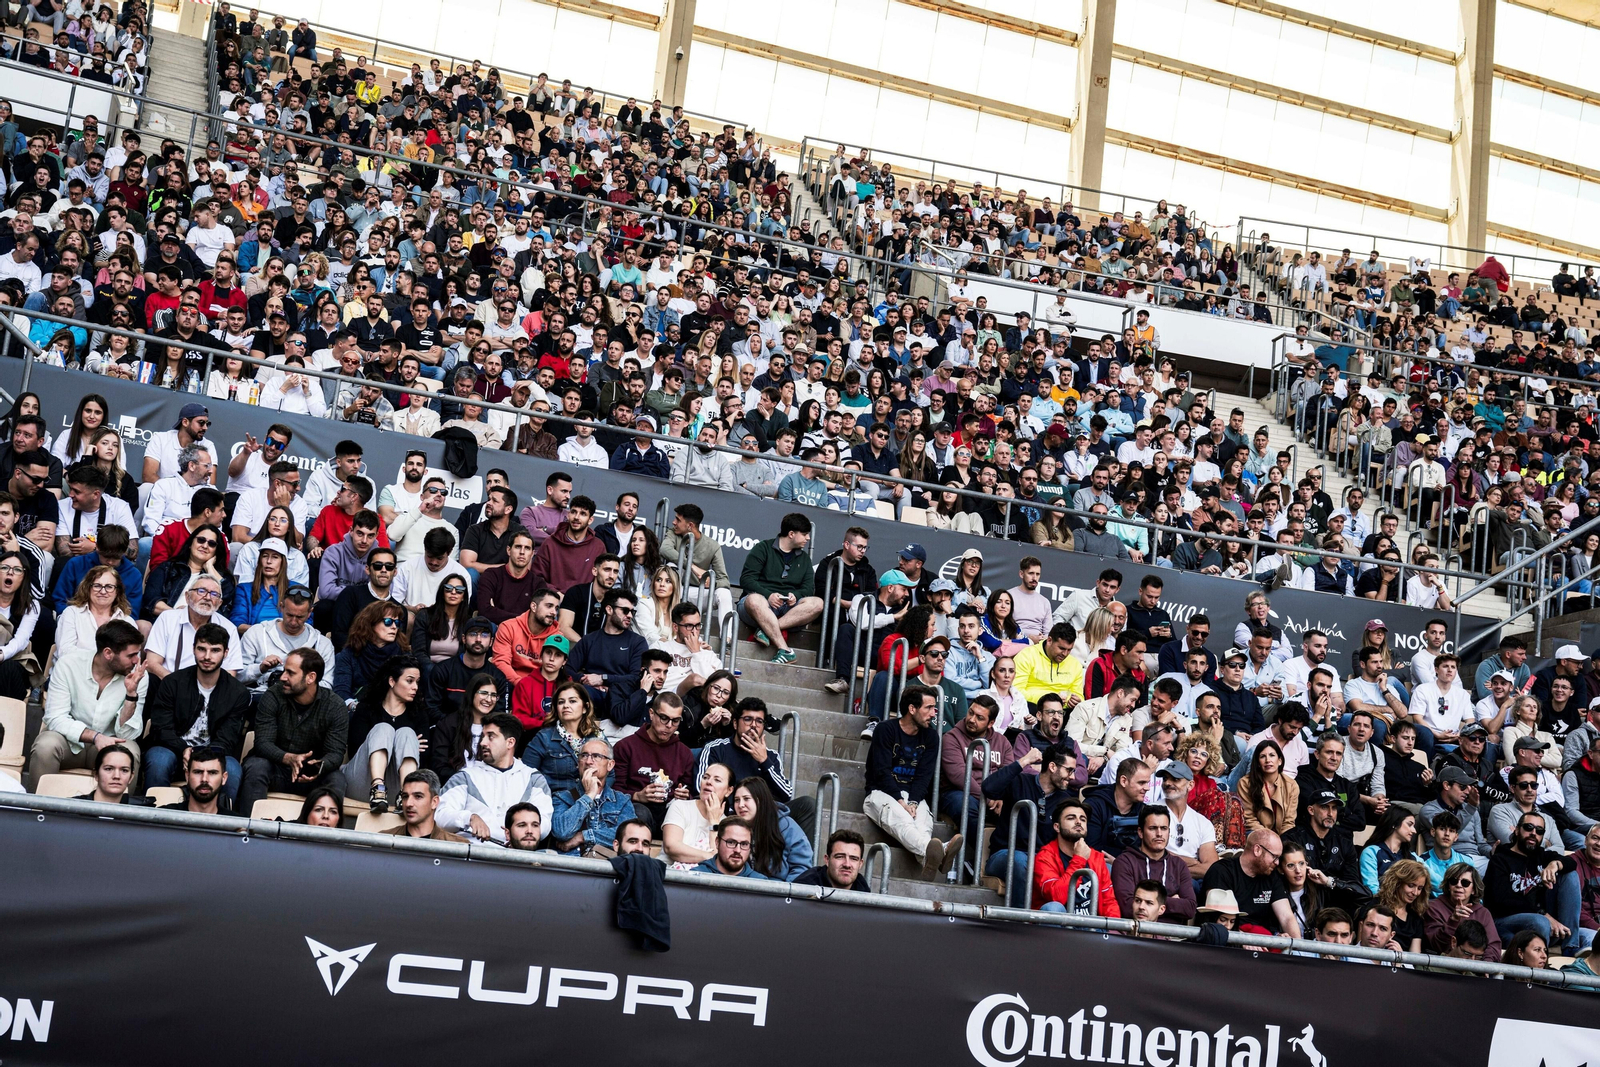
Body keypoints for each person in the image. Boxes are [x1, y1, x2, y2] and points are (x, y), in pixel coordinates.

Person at [144, 623, 250, 805]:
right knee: (158, 759)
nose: (207, 656)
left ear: (226, 653)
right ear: (193, 649)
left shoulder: (238, 693)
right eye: (202, 649)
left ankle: (221, 826)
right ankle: (153, 819)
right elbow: (161, 728)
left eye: (215, 650)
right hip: (173, 751)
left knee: (231, 769)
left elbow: (228, 738)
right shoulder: (172, 683)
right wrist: (183, 749)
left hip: (214, 755)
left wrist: (203, 758)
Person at [31, 619, 148, 780]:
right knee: (45, 745)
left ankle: (117, 806)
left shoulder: (138, 675)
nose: (137, 661)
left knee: (130, 751)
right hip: (68, 741)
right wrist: (95, 737)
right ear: (108, 653)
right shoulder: (69, 665)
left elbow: (126, 734)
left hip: (109, 745)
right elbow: (55, 717)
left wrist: (131, 695)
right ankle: (37, 805)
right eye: (131, 655)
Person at [236, 649, 349, 814]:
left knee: (336, 778)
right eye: (284, 671)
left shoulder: (335, 706)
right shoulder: (273, 696)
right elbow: (262, 743)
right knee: (256, 766)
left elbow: (336, 753)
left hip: (311, 776)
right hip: (276, 768)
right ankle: (248, 830)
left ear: (311, 677)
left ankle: (324, 838)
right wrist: (288, 758)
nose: (282, 677)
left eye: (290, 673)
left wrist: (317, 767)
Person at [863, 684, 957, 875]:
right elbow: (881, 772)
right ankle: (941, 852)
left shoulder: (931, 737)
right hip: (880, 794)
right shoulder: (885, 729)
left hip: (912, 795)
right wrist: (901, 801)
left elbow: (925, 775)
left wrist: (913, 801)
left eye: (934, 708)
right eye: (928, 708)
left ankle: (926, 859)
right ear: (912, 709)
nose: (934, 714)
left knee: (923, 823)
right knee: (902, 819)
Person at [438, 712, 553, 845]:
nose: (482, 742)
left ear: (510, 742)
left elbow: (544, 823)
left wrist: (519, 836)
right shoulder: (465, 776)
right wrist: (469, 818)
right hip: (473, 857)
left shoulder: (533, 779)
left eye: (490, 737)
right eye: (483, 736)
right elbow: (440, 816)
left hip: (517, 857)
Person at [1485, 809, 1587, 952]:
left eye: (1539, 831)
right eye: (1528, 827)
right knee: (1540, 921)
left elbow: (1571, 863)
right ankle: (1541, 962)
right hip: (1506, 921)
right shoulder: (1500, 860)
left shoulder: (1541, 856)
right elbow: (1501, 901)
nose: (1533, 833)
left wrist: (1554, 865)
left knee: (1569, 874)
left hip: (1546, 924)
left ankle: (1570, 946)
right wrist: (1543, 915)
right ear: (1516, 830)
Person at [342, 658, 429, 813]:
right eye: (409, 681)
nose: (415, 687)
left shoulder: (418, 714)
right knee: (383, 728)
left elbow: (425, 757)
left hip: (397, 786)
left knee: (406, 733)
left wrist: (403, 742)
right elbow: (355, 750)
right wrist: (396, 743)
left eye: (417, 682)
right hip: (363, 781)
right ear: (391, 681)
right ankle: (377, 788)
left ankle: (406, 794)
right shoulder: (367, 708)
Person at [737, 512, 824, 665]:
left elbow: (809, 588)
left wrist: (795, 596)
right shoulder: (763, 548)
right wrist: (768, 595)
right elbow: (746, 579)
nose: (808, 538)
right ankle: (785, 649)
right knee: (754, 599)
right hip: (760, 606)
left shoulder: (804, 558)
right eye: (804, 534)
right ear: (791, 534)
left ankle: (766, 630)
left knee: (817, 603)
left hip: (788, 608)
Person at [614, 691, 695, 829]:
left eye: (675, 721)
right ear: (651, 714)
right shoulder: (626, 746)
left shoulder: (684, 753)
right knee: (639, 813)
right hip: (636, 808)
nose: (669, 725)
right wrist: (637, 796)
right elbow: (614, 792)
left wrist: (684, 795)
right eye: (664, 718)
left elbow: (690, 791)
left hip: (670, 811)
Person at [1201, 829, 1302, 936]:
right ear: (1257, 850)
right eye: (1274, 857)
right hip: (1229, 942)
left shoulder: (1272, 876)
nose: (1277, 863)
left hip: (1263, 940)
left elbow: (1287, 917)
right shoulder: (1222, 871)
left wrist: (1296, 946)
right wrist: (1244, 941)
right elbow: (1217, 920)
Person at [549, 737, 638, 855]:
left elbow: (630, 836)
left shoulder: (622, 801)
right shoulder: (562, 797)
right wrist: (589, 795)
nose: (588, 761)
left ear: (610, 765)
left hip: (606, 868)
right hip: (569, 866)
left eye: (596, 756)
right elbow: (561, 832)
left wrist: (583, 837)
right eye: (584, 755)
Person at [238, 587, 333, 696]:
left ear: (309, 613)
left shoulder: (322, 644)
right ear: (281, 607)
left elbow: (326, 685)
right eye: (289, 615)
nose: (293, 622)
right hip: (261, 696)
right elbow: (237, 676)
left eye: (299, 617)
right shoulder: (256, 633)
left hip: (304, 703)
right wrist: (260, 668)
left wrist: (296, 682)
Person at [1110, 806, 1197, 921]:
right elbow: (1127, 907)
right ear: (1140, 832)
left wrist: (1145, 902)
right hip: (1136, 934)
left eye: (1164, 828)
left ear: (1169, 832)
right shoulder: (1124, 862)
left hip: (1174, 936)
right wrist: (1173, 902)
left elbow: (1190, 908)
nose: (1159, 834)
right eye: (1153, 828)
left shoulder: (1179, 865)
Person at [1034, 799, 1119, 915]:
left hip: (1091, 927)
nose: (1078, 822)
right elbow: (1056, 897)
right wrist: (1079, 860)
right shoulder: (1045, 857)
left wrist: (1112, 931)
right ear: (1057, 827)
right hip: (1061, 927)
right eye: (1071, 818)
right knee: (1053, 908)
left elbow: (1109, 902)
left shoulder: (1096, 857)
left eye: (1083, 819)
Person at [1283, 788, 1366, 905]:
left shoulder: (1344, 842)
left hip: (1337, 905)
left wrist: (1329, 881)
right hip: (1302, 902)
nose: (1330, 814)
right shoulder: (1293, 838)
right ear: (1311, 810)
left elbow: (1352, 884)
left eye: (1334, 808)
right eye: (1324, 807)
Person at [732, 775, 813, 880]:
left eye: (746, 799)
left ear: (760, 800)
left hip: (780, 891)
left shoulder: (785, 826)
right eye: (737, 800)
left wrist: (786, 893)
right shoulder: (733, 828)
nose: (740, 805)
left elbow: (801, 867)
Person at [332, 600, 408, 703]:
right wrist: (354, 706)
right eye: (388, 622)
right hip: (358, 710)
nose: (394, 627)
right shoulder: (349, 653)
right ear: (371, 623)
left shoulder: (404, 655)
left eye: (397, 623)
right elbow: (341, 691)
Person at [663, 762, 736, 867]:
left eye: (717, 780)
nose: (709, 782)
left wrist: (714, 822)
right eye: (706, 777)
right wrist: (711, 857)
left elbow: (720, 865)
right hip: (669, 874)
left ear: (729, 790)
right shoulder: (679, 806)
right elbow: (671, 847)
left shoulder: (728, 825)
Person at [1424, 862, 1501, 960]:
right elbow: (1437, 945)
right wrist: (1453, 920)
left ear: (1473, 889)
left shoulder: (1483, 913)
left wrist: (1484, 966)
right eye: (1453, 881)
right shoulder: (1433, 907)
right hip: (1442, 966)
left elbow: (1494, 946)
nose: (1459, 885)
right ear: (1448, 886)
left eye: (1465, 883)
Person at [1160, 762, 1220, 881]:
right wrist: (1192, 862)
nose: (1167, 783)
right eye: (1165, 778)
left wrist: (1173, 863)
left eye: (1175, 779)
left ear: (1190, 785)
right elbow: (1152, 854)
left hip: (1192, 881)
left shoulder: (1202, 822)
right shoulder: (1150, 811)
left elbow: (1211, 868)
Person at [380, 769, 468, 842]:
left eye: (418, 796)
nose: (408, 803)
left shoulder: (457, 845)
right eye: (405, 796)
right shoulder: (384, 840)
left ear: (434, 802)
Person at [477, 530, 539, 624]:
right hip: (495, 629)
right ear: (508, 550)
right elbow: (484, 610)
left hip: (524, 633)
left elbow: (538, 617)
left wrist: (495, 612)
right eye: (518, 547)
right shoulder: (491, 576)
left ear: (532, 553)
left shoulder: (537, 583)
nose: (522, 552)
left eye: (527, 548)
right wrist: (524, 618)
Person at [160, 745, 233, 816]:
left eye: (212, 773)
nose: (204, 779)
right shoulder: (163, 817)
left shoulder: (236, 824)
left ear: (224, 778)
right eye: (198, 772)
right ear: (187, 776)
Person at [794, 829, 872, 891]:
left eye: (853, 859)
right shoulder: (805, 886)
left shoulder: (862, 887)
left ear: (860, 864)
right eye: (840, 857)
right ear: (827, 860)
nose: (847, 864)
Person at [693, 817, 768, 879]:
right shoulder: (694, 877)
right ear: (717, 842)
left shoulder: (761, 883)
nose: (738, 850)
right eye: (731, 842)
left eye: (744, 844)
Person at [75, 743, 148, 806]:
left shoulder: (144, 814)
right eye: (108, 769)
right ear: (96, 774)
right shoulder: (70, 809)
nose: (116, 776)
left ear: (131, 777)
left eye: (124, 770)